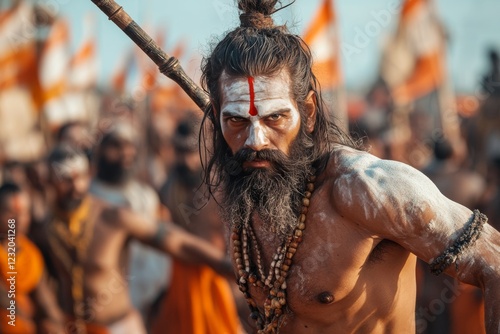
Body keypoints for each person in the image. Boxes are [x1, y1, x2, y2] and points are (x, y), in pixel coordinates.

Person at [196, 1, 500, 332]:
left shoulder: (368, 189)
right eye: (237, 119)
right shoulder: (244, 192)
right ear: (216, 117)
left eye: (275, 117)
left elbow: (495, 264)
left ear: (308, 112)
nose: (255, 140)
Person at [39, 144, 232, 334]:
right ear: (48, 181)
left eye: (80, 177)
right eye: (65, 179)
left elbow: (175, 241)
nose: (75, 186)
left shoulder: (111, 217)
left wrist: (222, 263)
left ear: (88, 174)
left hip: (119, 327)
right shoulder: (45, 228)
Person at [152, 114, 244, 334]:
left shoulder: (224, 186)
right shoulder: (167, 187)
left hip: (220, 280)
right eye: (180, 152)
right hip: (178, 284)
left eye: (191, 152)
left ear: (206, 148)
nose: (186, 161)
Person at [89, 122, 171, 321]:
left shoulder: (146, 196)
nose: (125, 152)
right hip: (109, 309)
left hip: (151, 299)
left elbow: (159, 249)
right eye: (116, 146)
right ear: (100, 151)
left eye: (129, 145)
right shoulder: (89, 199)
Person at [0, 182, 65, 334]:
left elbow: (44, 298)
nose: (18, 220)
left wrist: (58, 324)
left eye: (24, 213)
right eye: (10, 213)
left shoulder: (30, 253)